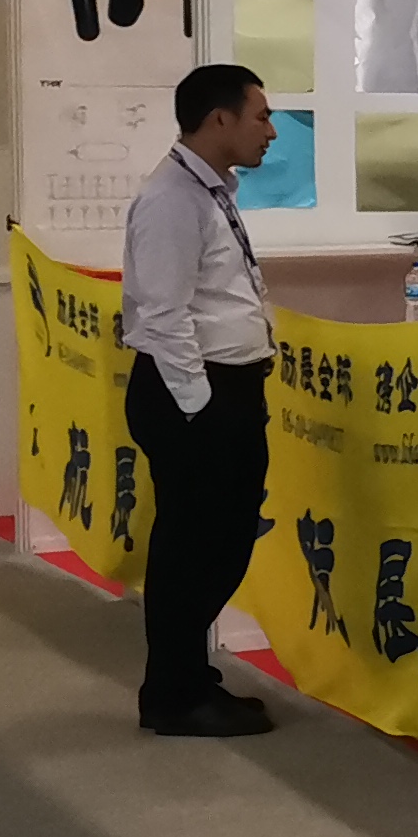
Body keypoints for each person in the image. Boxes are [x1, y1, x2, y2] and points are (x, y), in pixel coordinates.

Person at [121, 63, 281, 738]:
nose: (271, 131)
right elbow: (163, 316)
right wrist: (201, 410)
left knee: (221, 539)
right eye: (260, 116)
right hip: (193, 393)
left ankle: (186, 676)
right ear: (220, 119)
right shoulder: (172, 200)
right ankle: (173, 694)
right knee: (193, 547)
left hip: (220, 389)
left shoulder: (208, 190)